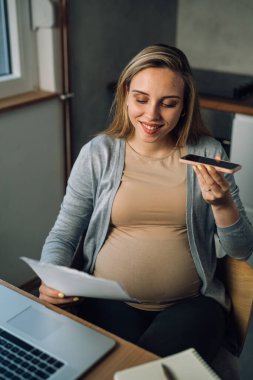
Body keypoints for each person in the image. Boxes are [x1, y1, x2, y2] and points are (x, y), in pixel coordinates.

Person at [39, 44, 253, 364]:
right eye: (141, 99)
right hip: (106, 299)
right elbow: (64, 234)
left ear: (184, 107)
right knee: (100, 365)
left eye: (168, 104)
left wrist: (223, 205)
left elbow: (241, 249)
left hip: (191, 306)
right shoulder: (99, 153)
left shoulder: (207, 153)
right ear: (126, 94)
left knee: (147, 369)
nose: (151, 115)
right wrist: (51, 278)